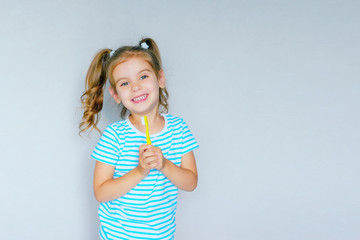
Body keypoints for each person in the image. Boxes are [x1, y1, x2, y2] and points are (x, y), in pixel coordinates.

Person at [79, 38, 199, 239]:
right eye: (125, 83)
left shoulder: (179, 129)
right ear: (116, 94)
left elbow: (191, 182)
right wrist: (140, 171)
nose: (135, 87)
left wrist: (164, 165)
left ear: (160, 78)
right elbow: (101, 192)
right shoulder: (114, 136)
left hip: (162, 235)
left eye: (143, 77)